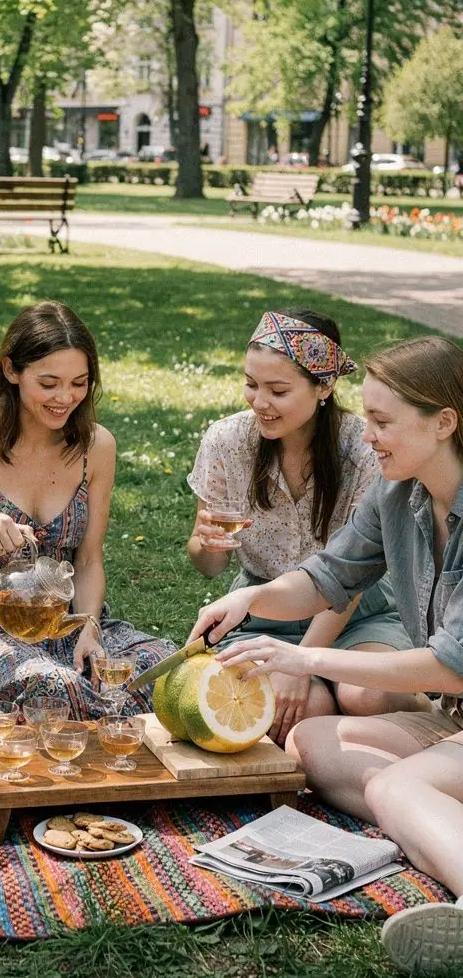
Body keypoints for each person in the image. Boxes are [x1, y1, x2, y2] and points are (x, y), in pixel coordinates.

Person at [188, 336, 463, 973]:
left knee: (396, 785)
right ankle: (434, 820)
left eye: (383, 421)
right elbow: (325, 580)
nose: (367, 436)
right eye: (366, 418)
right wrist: (249, 597)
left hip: (452, 698)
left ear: (444, 422)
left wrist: (308, 661)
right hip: (453, 723)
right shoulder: (400, 497)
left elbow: (449, 665)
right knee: (309, 742)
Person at [0, 301, 173, 720]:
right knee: (51, 686)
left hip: (65, 623)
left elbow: (89, 559)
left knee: (161, 667)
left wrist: (91, 631)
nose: (66, 398)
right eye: (49, 383)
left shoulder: (96, 448)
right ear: (11, 371)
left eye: (79, 383)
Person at [187, 309, 414, 744]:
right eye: (251, 384)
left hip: (357, 613)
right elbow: (209, 567)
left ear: (323, 386)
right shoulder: (226, 440)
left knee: (366, 698)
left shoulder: (364, 450)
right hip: (265, 612)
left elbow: (350, 576)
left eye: (278, 390)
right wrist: (205, 545)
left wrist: (303, 659)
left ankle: (433, 716)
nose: (258, 402)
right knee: (300, 710)